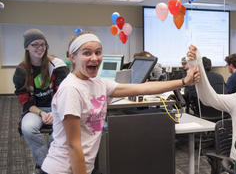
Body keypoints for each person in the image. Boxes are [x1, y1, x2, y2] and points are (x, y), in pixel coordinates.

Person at [41, 32, 200, 174]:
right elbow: (74, 146)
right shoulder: (71, 90)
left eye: (98, 52)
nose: (94, 58)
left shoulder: (98, 83)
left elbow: (143, 88)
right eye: (87, 53)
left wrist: (183, 81)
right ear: (72, 57)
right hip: (63, 169)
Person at [13, 29, 68, 172]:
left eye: (43, 44)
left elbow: (63, 94)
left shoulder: (57, 65)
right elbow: (25, 102)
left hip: (58, 107)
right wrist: (41, 114)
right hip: (36, 109)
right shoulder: (21, 71)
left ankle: (50, 160)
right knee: (28, 128)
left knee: (61, 130)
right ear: (27, 47)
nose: (40, 48)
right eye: (34, 45)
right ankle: (44, 164)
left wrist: (54, 113)